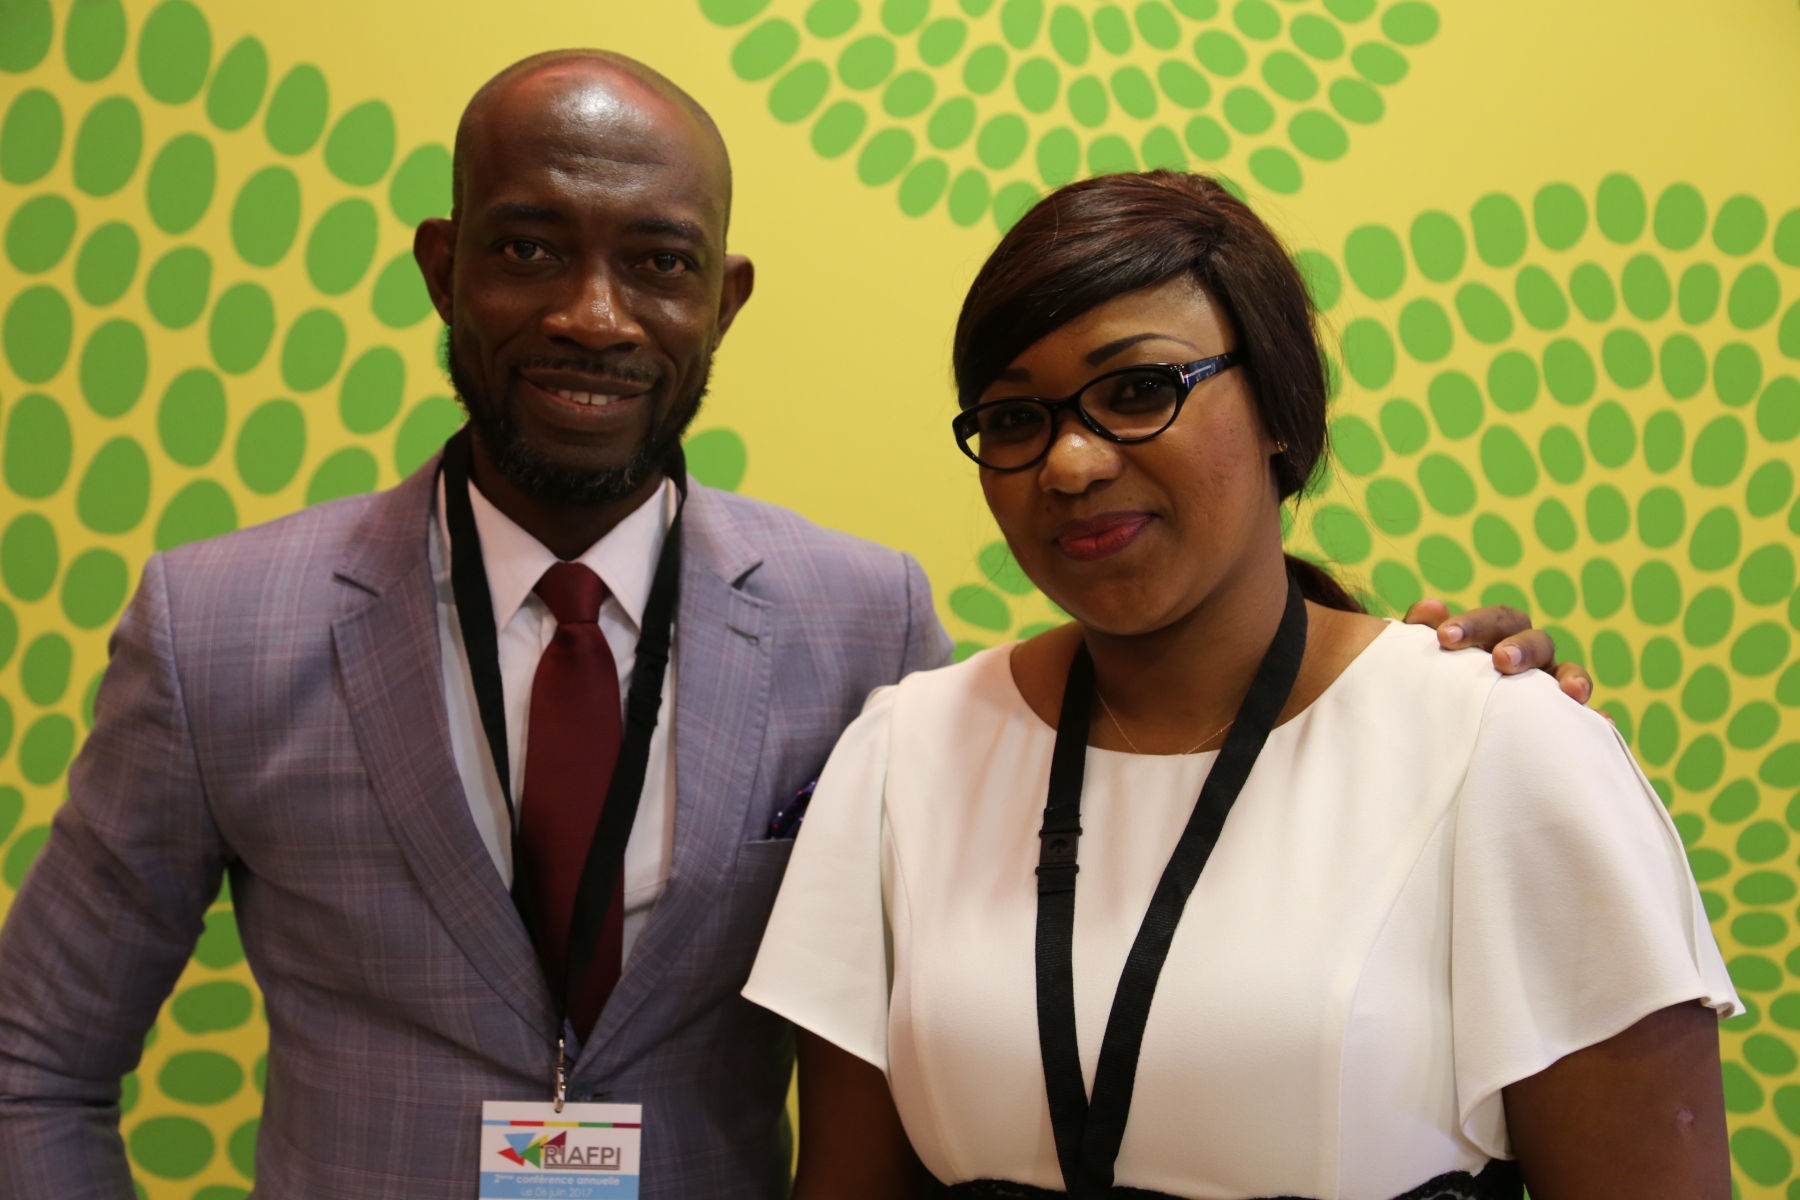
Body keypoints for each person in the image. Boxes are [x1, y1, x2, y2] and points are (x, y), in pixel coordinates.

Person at [0, 55, 1582, 1200]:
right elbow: (34, 1065)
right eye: (531, 247)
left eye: (658, 264)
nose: (593, 314)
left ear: (726, 300)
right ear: (444, 267)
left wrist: (1414, 687)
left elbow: (1095, 813)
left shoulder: (861, 620)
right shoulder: (217, 628)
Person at [745, 171, 1736, 1200]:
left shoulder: (1498, 746)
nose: (1070, 463)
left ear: (1279, 406)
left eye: (1139, 391)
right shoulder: (902, 753)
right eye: (1014, 417)